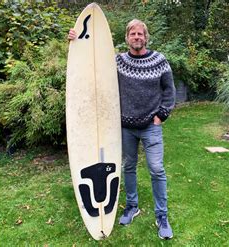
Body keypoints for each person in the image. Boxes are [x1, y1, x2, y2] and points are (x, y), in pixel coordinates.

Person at [68, 19, 176, 240]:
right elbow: (92, 66)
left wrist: (161, 115)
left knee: (156, 169)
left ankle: (162, 216)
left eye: (140, 34)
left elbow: (169, 89)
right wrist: (76, 41)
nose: (137, 37)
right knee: (128, 167)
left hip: (150, 127)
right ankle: (132, 206)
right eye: (133, 34)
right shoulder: (117, 62)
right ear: (127, 38)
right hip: (124, 128)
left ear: (146, 37)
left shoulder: (159, 61)